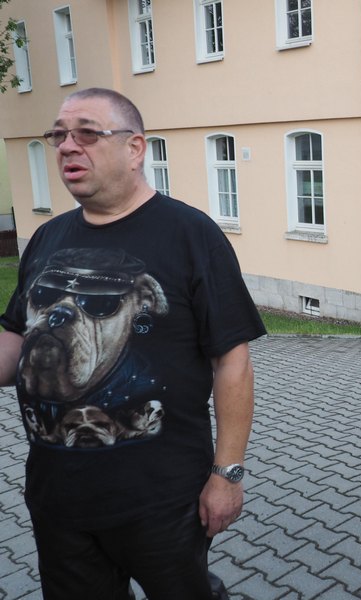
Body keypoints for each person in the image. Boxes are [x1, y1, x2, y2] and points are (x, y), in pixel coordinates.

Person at [0, 88, 266, 600]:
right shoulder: (48, 237)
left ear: (134, 148)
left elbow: (232, 362)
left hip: (161, 499)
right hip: (58, 496)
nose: (67, 146)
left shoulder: (190, 234)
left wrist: (227, 474)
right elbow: (16, 337)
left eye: (87, 133)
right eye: (59, 135)